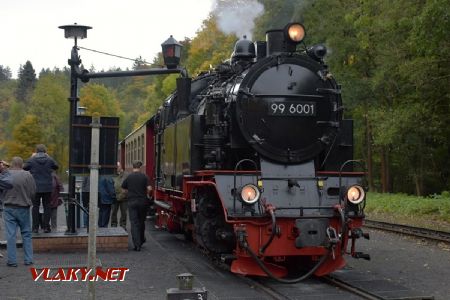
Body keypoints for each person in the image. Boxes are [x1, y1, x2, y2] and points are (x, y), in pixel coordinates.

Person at [2, 157, 36, 267]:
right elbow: (33, 191)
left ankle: (12, 261)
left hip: (9, 207)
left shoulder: (6, 175)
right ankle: (28, 259)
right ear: (22, 165)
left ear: (12, 164)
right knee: (26, 233)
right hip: (23, 207)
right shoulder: (28, 175)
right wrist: (29, 200)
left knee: (11, 235)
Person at [24, 144, 58, 233]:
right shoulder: (49, 159)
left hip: (35, 187)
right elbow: (56, 166)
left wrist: (31, 157)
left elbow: (24, 167)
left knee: (35, 206)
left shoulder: (32, 160)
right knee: (47, 206)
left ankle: (35, 228)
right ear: (45, 151)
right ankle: (46, 227)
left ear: (36, 151)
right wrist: (49, 156)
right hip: (47, 187)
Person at [121, 160, 151, 251]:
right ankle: (141, 240)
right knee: (141, 221)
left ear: (133, 167)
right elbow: (149, 188)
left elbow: (123, 189)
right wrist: (148, 194)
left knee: (134, 223)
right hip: (142, 202)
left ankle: (137, 245)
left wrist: (128, 193)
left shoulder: (129, 177)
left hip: (132, 202)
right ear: (140, 167)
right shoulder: (144, 176)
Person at [111, 163, 127, 230]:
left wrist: (123, 194)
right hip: (115, 197)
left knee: (124, 212)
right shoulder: (112, 175)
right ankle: (113, 225)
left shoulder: (126, 175)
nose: (117, 167)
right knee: (114, 212)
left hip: (124, 197)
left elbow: (127, 185)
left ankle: (123, 225)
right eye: (116, 166)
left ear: (121, 166)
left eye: (118, 166)